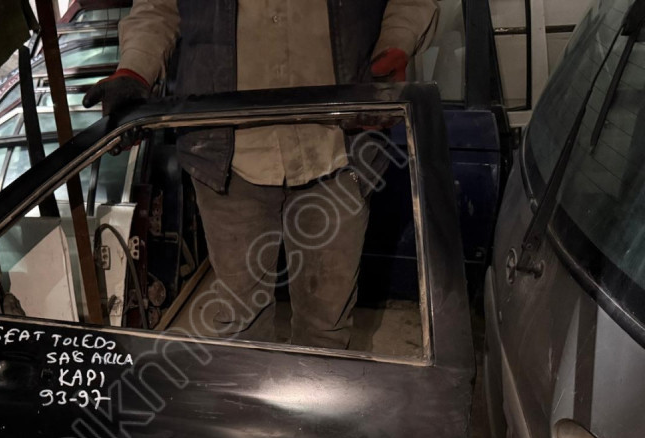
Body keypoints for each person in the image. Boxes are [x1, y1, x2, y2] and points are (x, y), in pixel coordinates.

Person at [84, 0, 439, 349]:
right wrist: (134, 69)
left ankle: (317, 388)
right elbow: (158, 8)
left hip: (337, 148)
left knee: (326, 329)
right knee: (240, 326)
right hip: (227, 153)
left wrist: (396, 41)